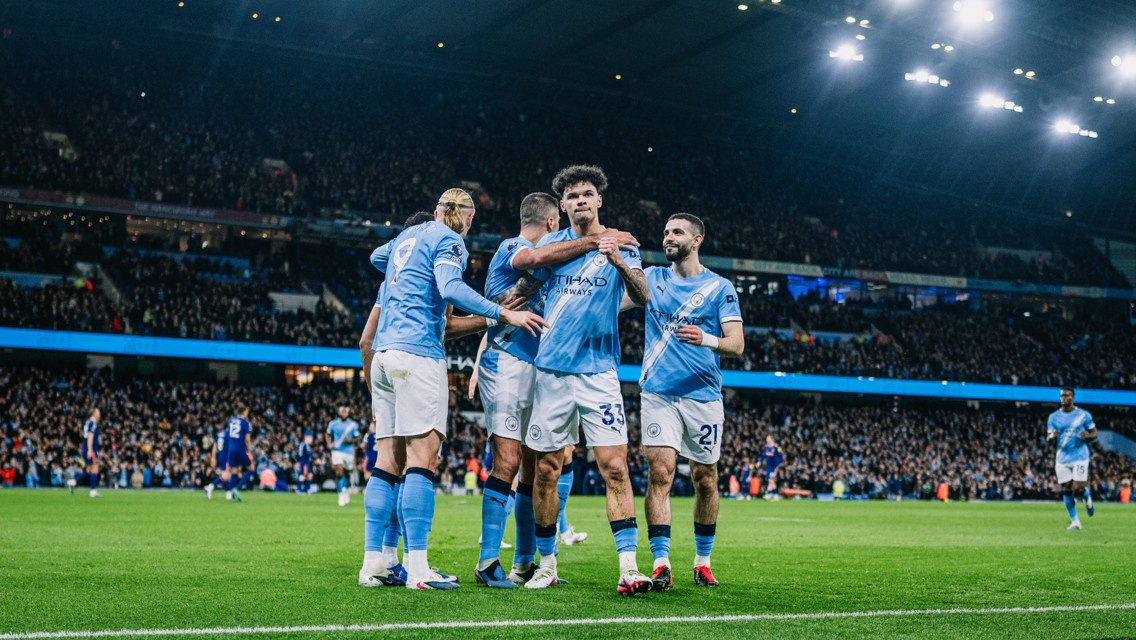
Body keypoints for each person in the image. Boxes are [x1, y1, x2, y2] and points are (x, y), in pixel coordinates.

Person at [362, 187, 547, 591]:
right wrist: (501, 312)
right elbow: (449, 289)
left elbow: (377, 257)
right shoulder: (449, 240)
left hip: (384, 354)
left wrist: (406, 263)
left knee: (385, 462)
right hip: (417, 354)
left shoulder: (407, 239)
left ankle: (374, 563)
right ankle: (418, 570)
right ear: (466, 216)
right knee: (421, 460)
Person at [468, 192, 632, 588]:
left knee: (532, 466)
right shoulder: (517, 246)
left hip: (539, 366)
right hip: (508, 361)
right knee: (507, 461)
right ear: (552, 223)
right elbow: (516, 287)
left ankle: (525, 561)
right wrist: (600, 237)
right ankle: (488, 559)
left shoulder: (558, 265)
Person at [513, 165, 651, 595]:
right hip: (551, 372)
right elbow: (523, 283)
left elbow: (644, 294)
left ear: (599, 200)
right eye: (572, 197)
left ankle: (628, 567)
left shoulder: (621, 243)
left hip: (599, 374)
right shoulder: (551, 244)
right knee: (546, 472)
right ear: (563, 206)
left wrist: (616, 261)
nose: (580, 201)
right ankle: (547, 564)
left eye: (587, 194)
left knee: (614, 467)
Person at [625, 213, 744, 591]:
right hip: (658, 394)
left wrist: (706, 339)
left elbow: (736, 344)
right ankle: (661, 561)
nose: (668, 237)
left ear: (697, 240)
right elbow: (610, 305)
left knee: (704, 479)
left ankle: (703, 560)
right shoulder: (653, 278)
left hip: (703, 398)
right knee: (660, 473)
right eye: (665, 232)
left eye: (677, 232)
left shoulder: (719, 287)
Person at [1047, 387, 1098, 530]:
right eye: (1062, 395)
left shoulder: (1083, 415)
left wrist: (1087, 437)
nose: (1064, 398)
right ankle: (1075, 522)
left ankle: (1086, 496)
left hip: (1080, 456)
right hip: (1062, 458)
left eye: (1067, 395)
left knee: (1078, 489)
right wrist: (1052, 437)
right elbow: (1049, 436)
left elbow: (1094, 433)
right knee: (1067, 490)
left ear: (1073, 398)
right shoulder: (1053, 417)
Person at [327, 406, 360, 507]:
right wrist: (329, 443)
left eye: (346, 411)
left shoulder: (352, 425)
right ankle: (340, 494)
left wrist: (349, 440)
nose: (344, 413)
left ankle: (345, 490)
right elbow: (327, 434)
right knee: (339, 471)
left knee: (347, 473)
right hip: (337, 451)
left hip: (348, 452)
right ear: (339, 412)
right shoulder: (333, 423)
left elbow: (357, 438)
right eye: (342, 411)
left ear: (348, 413)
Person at [224, 406, 255, 502]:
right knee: (251, 469)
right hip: (240, 449)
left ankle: (232, 495)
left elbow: (228, 434)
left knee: (234, 472)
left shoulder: (231, 421)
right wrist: (249, 451)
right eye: (247, 412)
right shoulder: (245, 423)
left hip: (231, 449)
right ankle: (237, 489)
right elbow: (247, 439)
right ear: (244, 412)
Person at [80, 408, 102, 498]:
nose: (99, 414)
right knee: (95, 469)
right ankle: (92, 491)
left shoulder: (87, 423)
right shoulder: (93, 424)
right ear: (94, 414)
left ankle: (73, 482)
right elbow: (90, 437)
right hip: (91, 450)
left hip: (86, 448)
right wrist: (90, 450)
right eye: (98, 412)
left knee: (89, 470)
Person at [204, 422, 228, 500]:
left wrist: (213, 457)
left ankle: (228, 492)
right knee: (225, 475)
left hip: (220, 456)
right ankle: (210, 487)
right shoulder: (228, 434)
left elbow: (215, 446)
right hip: (226, 456)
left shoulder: (218, 434)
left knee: (225, 475)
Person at [762, 435, 784, 500]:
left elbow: (781, 454)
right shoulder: (766, 447)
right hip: (768, 467)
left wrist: (779, 463)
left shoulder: (777, 447)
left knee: (771, 480)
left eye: (768, 439)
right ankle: (775, 494)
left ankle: (768, 493)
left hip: (774, 467)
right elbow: (763, 455)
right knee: (771, 480)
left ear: (772, 439)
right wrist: (760, 461)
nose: (767, 440)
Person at [296, 430, 314, 495]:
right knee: (303, 476)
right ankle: (299, 490)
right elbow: (308, 454)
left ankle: (308, 489)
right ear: (307, 437)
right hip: (304, 462)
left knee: (309, 475)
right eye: (311, 438)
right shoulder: (304, 445)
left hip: (305, 462)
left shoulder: (304, 445)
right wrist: (314, 458)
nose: (312, 440)